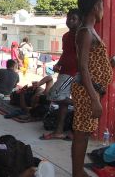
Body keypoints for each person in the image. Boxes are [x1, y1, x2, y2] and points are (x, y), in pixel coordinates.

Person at [71, 0, 115, 177]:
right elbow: (83, 67)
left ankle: (78, 171)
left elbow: (93, 63)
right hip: (87, 91)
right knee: (81, 134)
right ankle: (77, 173)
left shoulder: (91, 30)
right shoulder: (85, 32)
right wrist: (94, 99)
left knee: (83, 132)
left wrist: (110, 65)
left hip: (92, 89)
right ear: (95, 7)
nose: (103, 10)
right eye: (102, 6)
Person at [41, 9, 81, 140]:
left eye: (73, 18)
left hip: (73, 73)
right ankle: (59, 131)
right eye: (68, 18)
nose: (70, 21)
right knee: (63, 104)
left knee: (54, 94)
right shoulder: (66, 36)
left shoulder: (81, 36)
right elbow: (65, 53)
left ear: (80, 20)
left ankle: (82, 106)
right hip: (64, 71)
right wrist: (58, 63)